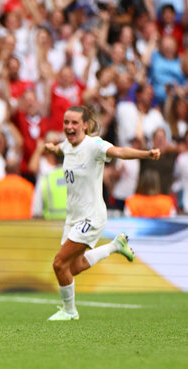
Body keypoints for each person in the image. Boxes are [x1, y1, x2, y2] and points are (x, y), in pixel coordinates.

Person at [43, 106, 160, 321]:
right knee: (73, 267)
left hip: (92, 216)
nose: (69, 127)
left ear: (85, 125)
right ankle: (116, 245)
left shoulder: (94, 146)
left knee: (59, 264)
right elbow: (60, 149)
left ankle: (70, 311)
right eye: (66, 122)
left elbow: (119, 152)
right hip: (73, 218)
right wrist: (51, 147)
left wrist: (146, 154)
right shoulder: (68, 146)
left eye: (74, 123)